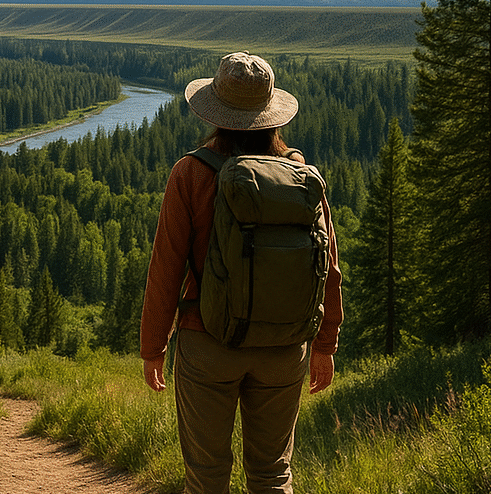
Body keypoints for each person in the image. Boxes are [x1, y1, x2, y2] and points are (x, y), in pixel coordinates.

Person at [140, 52, 343, 494]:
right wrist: (325, 343)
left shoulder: (191, 173)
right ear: (271, 115)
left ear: (215, 111)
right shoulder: (302, 175)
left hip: (207, 340)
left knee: (207, 476)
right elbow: (328, 267)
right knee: (272, 474)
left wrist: (153, 346)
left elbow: (166, 269)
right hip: (285, 347)